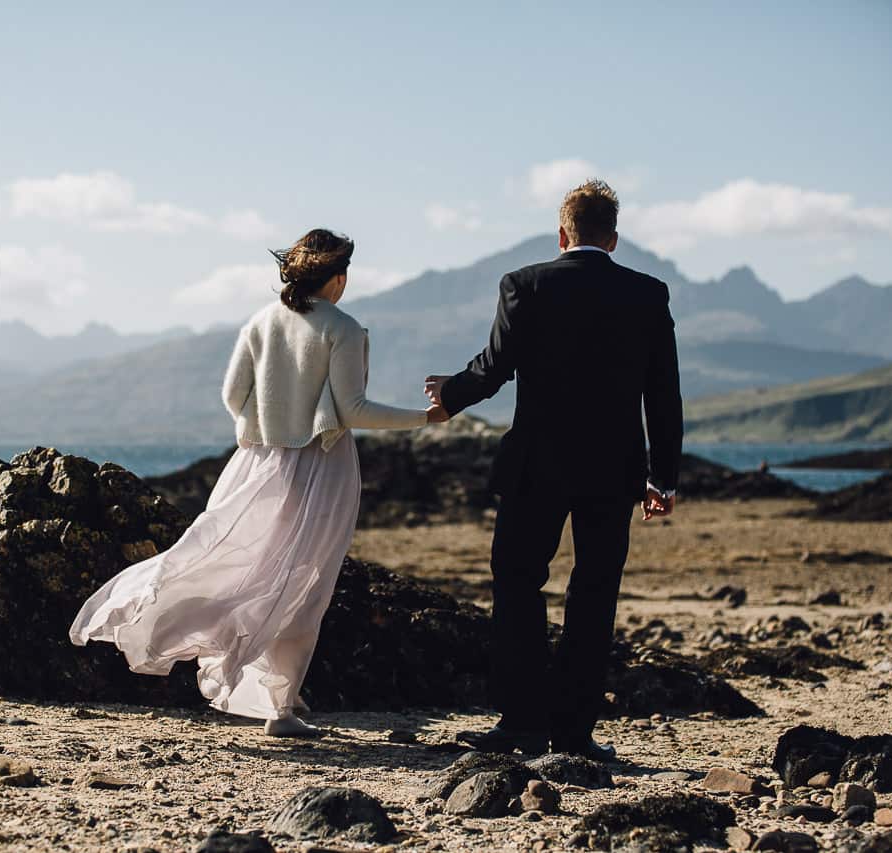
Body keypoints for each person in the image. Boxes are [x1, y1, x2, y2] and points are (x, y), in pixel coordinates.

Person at [70, 228, 447, 737]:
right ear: (337, 278)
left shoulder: (261, 322)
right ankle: (280, 706)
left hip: (255, 462)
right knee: (304, 582)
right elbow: (354, 410)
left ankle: (164, 621)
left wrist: (265, 427)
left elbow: (232, 395)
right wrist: (427, 418)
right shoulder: (345, 329)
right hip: (319, 466)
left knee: (230, 561)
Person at [425, 180, 683, 760]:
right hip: (614, 471)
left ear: (561, 234)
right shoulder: (648, 294)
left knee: (517, 584)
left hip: (536, 466)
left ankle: (519, 723)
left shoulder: (525, 284)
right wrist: (662, 477)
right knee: (594, 594)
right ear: (612, 238)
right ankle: (573, 733)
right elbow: (663, 395)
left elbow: (494, 370)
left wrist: (450, 394)